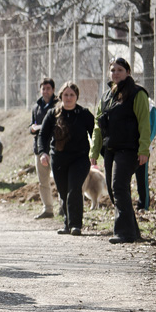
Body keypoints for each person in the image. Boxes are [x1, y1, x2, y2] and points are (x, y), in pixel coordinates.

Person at [90, 57, 151, 244]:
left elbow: (144, 123)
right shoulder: (106, 97)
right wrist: (94, 151)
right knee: (112, 187)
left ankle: (124, 233)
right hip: (110, 149)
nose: (115, 73)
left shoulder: (137, 93)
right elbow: (98, 126)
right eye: (113, 70)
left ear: (128, 72)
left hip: (130, 149)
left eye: (120, 70)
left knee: (118, 186)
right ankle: (133, 231)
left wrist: (144, 149)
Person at [38, 82, 94, 236]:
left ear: (77, 97)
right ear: (61, 96)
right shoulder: (52, 114)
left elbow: (95, 134)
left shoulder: (84, 114)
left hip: (80, 158)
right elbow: (43, 135)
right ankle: (67, 224)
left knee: (74, 189)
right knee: (63, 192)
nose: (68, 98)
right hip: (59, 158)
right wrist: (43, 152)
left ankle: (76, 225)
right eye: (66, 95)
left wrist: (96, 153)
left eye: (72, 95)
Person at [30, 78, 59, 219]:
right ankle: (48, 209)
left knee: (60, 181)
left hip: (55, 148)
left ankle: (63, 208)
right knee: (43, 182)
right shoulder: (36, 106)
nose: (45, 91)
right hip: (39, 150)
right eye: (43, 88)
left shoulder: (59, 105)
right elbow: (32, 125)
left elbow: (58, 127)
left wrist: (42, 127)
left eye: (48, 88)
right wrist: (33, 128)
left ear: (53, 90)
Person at [135, 98, 156, 211]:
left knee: (141, 178)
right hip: (127, 147)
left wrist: (144, 146)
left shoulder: (150, 107)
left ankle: (143, 204)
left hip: (142, 148)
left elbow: (152, 129)